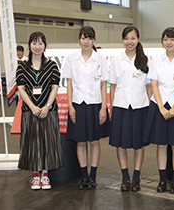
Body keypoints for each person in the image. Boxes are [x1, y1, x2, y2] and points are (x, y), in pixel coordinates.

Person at [143, 27, 174, 194]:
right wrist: (161, 106)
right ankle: (162, 181)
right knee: (161, 144)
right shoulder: (156, 61)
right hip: (159, 106)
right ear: (162, 41)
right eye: (165, 39)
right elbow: (153, 84)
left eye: (172, 39)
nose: (169, 42)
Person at [61, 26, 109, 190]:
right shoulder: (71, 58)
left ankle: (93, 176)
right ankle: (84, 176)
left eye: (89, 38)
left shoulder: (100, 59)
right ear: (79, 39)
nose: (86, 41)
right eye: (83, 38)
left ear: (94, 40)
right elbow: (69, 83)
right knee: (80, 142)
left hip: (95, 104)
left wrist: (104, 107)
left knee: (94, 141)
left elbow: (104, 85)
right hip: (77, 104)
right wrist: (70, 106)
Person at [16, 32, 64, 190]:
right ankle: (35, 176)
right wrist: (32, 106)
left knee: (48, 142)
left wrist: (47, 107)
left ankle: (45, 175)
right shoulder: (22, 66)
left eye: (40, 43)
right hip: (29, 110)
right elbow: (21, 89)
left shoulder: (52, 65)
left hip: (48, 111)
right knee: (33, 142)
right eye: (34, 43)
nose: (37, 47)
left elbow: (54, 87)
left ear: (45, 46)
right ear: (29, 45)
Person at [108, 26, 151, 192]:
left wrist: (148, 104)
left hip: (141, 107)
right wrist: (111, 107)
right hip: (121, 106)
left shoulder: (145, 60)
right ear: (123, 40)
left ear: (138, 39)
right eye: (126, 38)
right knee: (121, 143)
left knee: (139, 144)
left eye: (132, 38)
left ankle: (136, 177)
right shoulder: (116, 60)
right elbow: (112, 86)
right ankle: (125, 177)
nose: (129, 42)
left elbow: (149, 87)